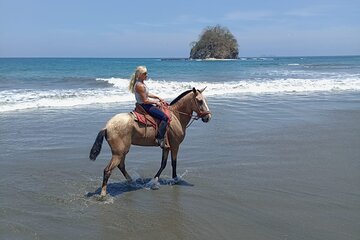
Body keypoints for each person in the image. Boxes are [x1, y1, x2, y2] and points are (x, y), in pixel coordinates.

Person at [129, 66, 168, 148]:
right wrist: (157, 102)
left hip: (145, 104)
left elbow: (147, 94)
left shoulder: (142, 83)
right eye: (145, 74)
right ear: (139, 75)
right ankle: (159, 138)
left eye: (146, 73)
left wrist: (157, 97)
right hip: (145, 105)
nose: (147, 75)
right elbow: (145, 100)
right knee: (165, 117)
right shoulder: (139, 85)